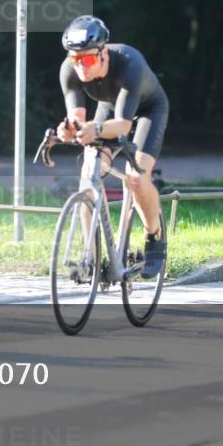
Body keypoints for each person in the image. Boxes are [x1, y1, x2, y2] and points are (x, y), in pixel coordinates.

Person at [56, 15, 169, 278]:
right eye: (76, 59)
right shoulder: (69, 69)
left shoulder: (130, 64)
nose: (81, 66)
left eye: (88, 59)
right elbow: (78, 119)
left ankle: (154, 235)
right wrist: (69, 129)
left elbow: (123, 125)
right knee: (89, 174)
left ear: (103, 53)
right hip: (110, 109)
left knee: (136, 177)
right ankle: (91, 259)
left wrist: (93, 130)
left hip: (147, 111)